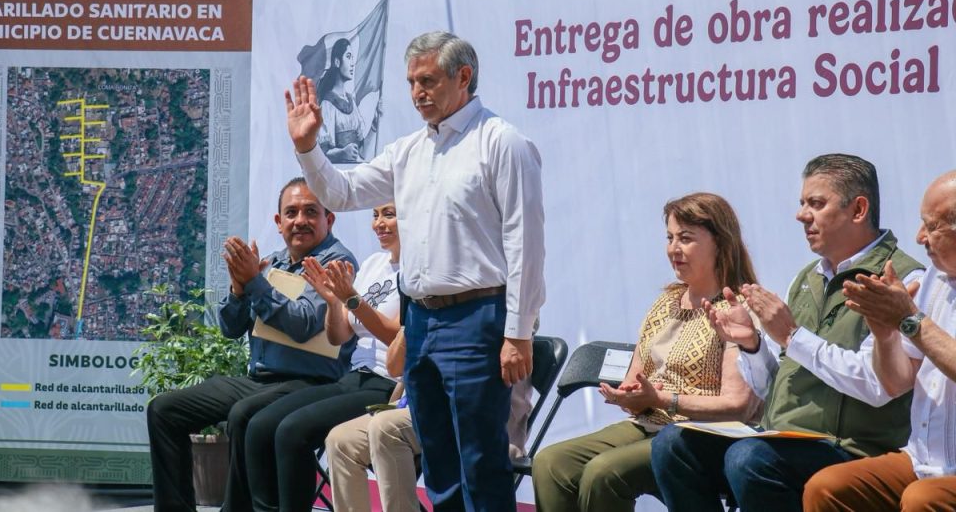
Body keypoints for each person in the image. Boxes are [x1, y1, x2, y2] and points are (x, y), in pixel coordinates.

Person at [285, 30, 545, 511]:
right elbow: (342, 192)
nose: (417, 93)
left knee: (480, 462)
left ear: (463, 77)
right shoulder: (408, 150)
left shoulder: (501, 142)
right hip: (421, 321)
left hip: (477, 318)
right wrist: (308, 148)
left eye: (428, 80)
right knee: (439, 463)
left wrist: (518, 333)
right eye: (410, 83)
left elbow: (526, 245)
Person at [651, 153, 924, 512]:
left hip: (852, 448)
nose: (801, 215)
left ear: (858, 210)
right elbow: (777, 385)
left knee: (749, 459)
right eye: (802, 203)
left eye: (816, 204)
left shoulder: (903, 280)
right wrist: (751, 345)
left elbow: (877, 386)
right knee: (673, 445)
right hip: (782, 439)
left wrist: (793, 336)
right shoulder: (806, 278)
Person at [532, 193, 762, 512]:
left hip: (705, 435)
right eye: (670, 238)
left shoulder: (739, 309)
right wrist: (629, 395)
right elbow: (637, 377)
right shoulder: (665, 302)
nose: (673, 249)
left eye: (685, 238)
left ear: (720, 243)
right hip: (649, 424)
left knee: (603, 473)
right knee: (550, 463)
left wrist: (662, 399)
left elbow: (738, 406)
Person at [146, 178, 356, 512]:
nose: (300, 220)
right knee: (164, 410)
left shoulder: (336, 262)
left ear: (328, 220)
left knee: (244, 414)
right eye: (291, 213)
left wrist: (255, 282)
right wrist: (239, 288)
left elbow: (302, 325)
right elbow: (230, 329)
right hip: (259, 379)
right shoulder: (271, 263)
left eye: (310, 212)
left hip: (311, 383)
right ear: (278, 222)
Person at [803, 170, 956, 511]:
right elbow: (896, 382)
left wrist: (909, 320)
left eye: (932, 226)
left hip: (940, 476)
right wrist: (884, 334)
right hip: (923, 461)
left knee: (922, 499)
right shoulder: (935, 279)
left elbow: (916, 326)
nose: (919, 237)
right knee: (826, 488)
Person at [240, 202, 403, 512]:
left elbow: (396, 340)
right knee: (260, 425)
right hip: (354, 377)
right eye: (375, 215)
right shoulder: (374, 264)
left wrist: (351, 299)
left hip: (388, 384)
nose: (379, 224)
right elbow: (339, 336)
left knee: (292, 431)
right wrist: (332, 301)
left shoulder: (416, 274)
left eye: (389, 215)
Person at [324, 329, 537, 512]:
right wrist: (410, 326)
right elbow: (395, 367)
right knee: (341, 440)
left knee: (387, 427)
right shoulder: (429, 305)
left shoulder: (491, 313)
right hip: (416, 406)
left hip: (473, 415)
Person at [316, 37, 380, 164]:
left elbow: (362, 153)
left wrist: (374, 124)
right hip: (338, 173)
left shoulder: (351, 102)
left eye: (352, 58)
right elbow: (323, 153)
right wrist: (342, 152)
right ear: (337, 62)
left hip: (356, 171)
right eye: (348, 57)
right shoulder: (328, 104)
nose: (352, 63)